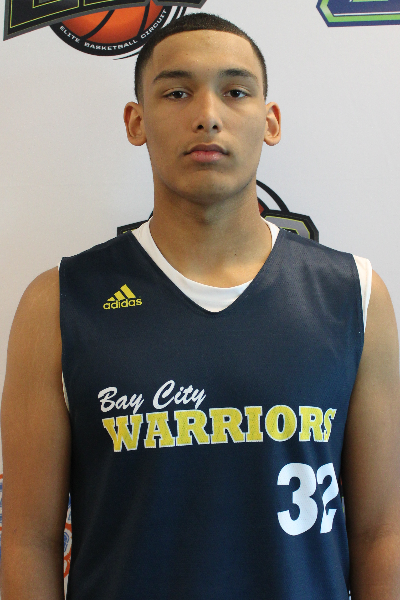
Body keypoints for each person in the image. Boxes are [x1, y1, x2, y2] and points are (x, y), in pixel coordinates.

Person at [2, 12, 400, 600]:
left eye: (235, 92)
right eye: (177, 92)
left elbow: (379, 533)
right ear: (137, 121)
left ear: (270, 121)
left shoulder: (354, 295)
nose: (208, 114)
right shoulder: (58, 303)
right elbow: (28, 542)